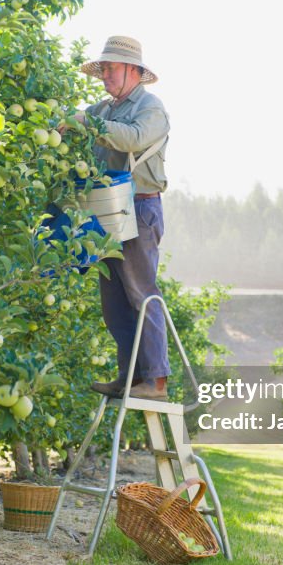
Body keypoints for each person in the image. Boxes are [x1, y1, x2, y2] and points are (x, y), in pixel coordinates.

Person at [68, 36, 171, 400]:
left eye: (110, 68)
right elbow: (74, 124)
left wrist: (86, 123)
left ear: (133, 71)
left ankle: (156, 379)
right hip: (109, 211)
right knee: (113, 303)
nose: (105, 75)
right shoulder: (103, 110)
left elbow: (134, 138)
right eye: (103, 69)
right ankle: (129, 377)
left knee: (141, 293)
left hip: (140, 208)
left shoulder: (150, 109)